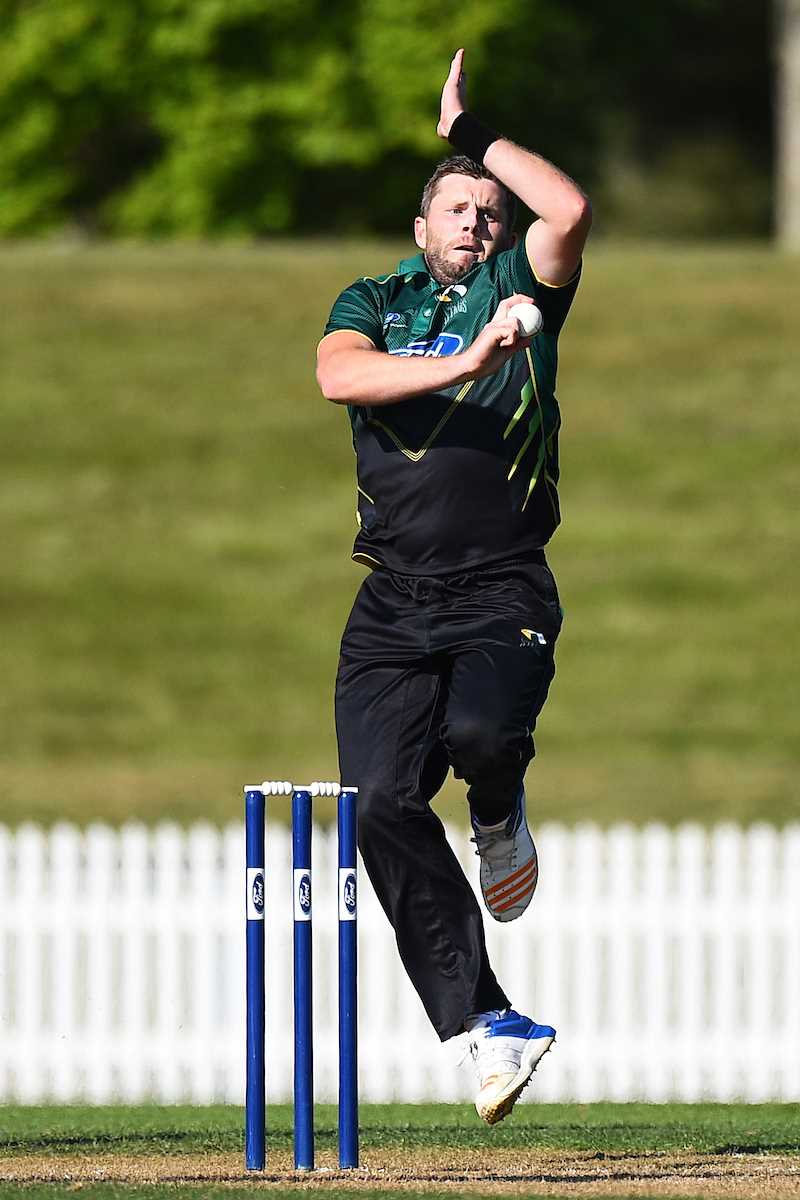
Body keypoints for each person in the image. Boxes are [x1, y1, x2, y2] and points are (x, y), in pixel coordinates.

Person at [316, 49, 591, 1124]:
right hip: (390, 597)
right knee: (378, 806)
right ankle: (489, 1024)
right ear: (420, 227)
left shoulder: (520, 287)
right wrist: (459, 365)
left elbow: (565, 205)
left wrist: (469, 136)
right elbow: (338, 374)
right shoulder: (374, 297)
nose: (477, 220)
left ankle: (499, 804)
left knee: (480, 735)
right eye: (457, 206)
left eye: (487, 207)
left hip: (501, 584)